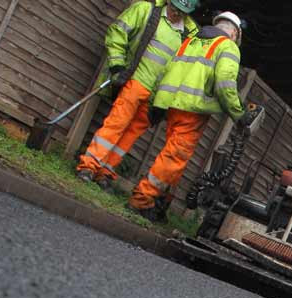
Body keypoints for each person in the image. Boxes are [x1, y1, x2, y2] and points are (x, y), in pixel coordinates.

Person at [128, 11, 249, 220]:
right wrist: (239, 114)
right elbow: (225, 84)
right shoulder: (227, 46)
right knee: (174, 157)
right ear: (235, 34)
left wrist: (157, 101)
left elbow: (167, 69)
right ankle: (142, 199)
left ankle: (160, 203)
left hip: (172, 105)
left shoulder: (191, 41)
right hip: (193, 111)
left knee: (174, 157)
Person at [77, 0, 199, 187]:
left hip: (156, 97)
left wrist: (165, 104)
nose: (176, 13)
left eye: (182, 11)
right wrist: (117, 64)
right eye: (175, 8)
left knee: (131, 134)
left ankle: (105, 172)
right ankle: (88, 166)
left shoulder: (190, 36)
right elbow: (117, 32)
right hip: (135, 83)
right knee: (116, 124)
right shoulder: (146, 10)